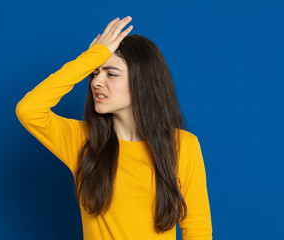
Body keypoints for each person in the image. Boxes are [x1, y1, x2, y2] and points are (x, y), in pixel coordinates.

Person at [16, 16, 212, 240]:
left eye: (111, 73)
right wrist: (92, 58)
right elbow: (29, 109)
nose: (96, 82)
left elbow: (197, 231)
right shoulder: (82, 141)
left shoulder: (183, 146)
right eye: (94, 73)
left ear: (142, 81)